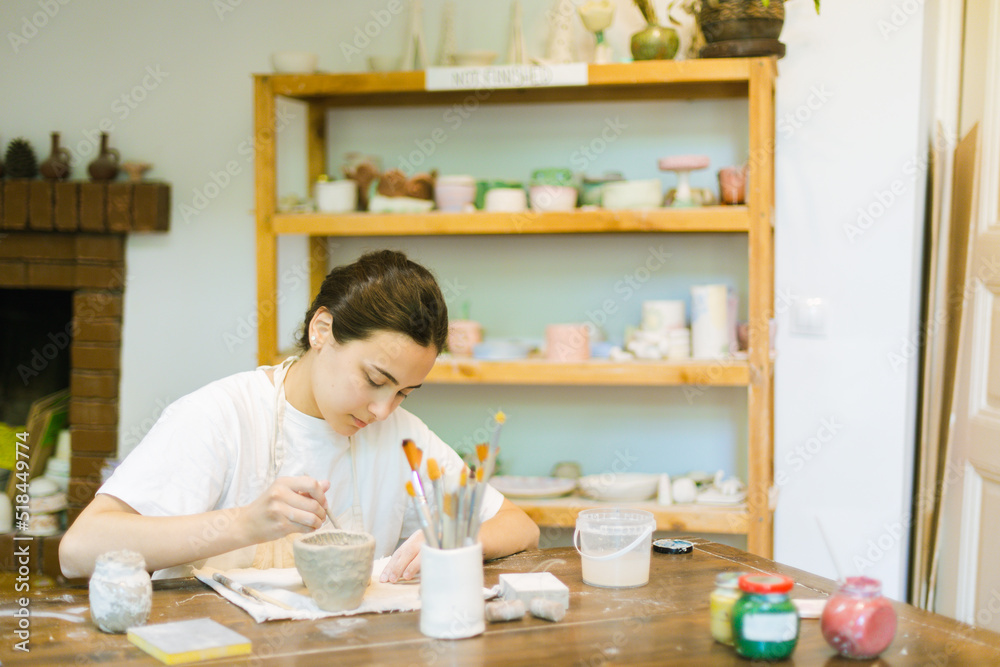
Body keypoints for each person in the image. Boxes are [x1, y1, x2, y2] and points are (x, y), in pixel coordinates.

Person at [60, 250, 539, 581]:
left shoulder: (401, 436)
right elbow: (78, 550)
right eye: (374, 379)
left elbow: (519, 525)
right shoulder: (221, 415)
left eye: (404, 393)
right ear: (322, 330)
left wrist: (455, 542)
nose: (382, 409)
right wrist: (243, 524)